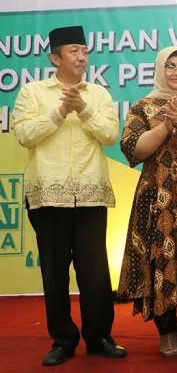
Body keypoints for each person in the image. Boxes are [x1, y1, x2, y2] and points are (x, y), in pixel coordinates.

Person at [12, 26, 128, 366]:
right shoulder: (33, 93)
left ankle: (100, 338)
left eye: (85, 51)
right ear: (55, 58)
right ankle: (63, 340)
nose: (82, 57)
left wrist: (84, 109)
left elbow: (109, 135)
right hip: (48, 195)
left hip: (91, 193)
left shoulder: (100, 94)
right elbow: (24, 134)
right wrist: (60, 112)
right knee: (54, 269)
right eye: (74, 50)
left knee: (95, 271)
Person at [117, 46, 177, 357]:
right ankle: (168, 331)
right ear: (159, 69)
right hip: (157, 199)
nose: (176, 72)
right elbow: (135, 149)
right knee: (160, 259)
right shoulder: (142, 106)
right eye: (170, 66)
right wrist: (165, 125)